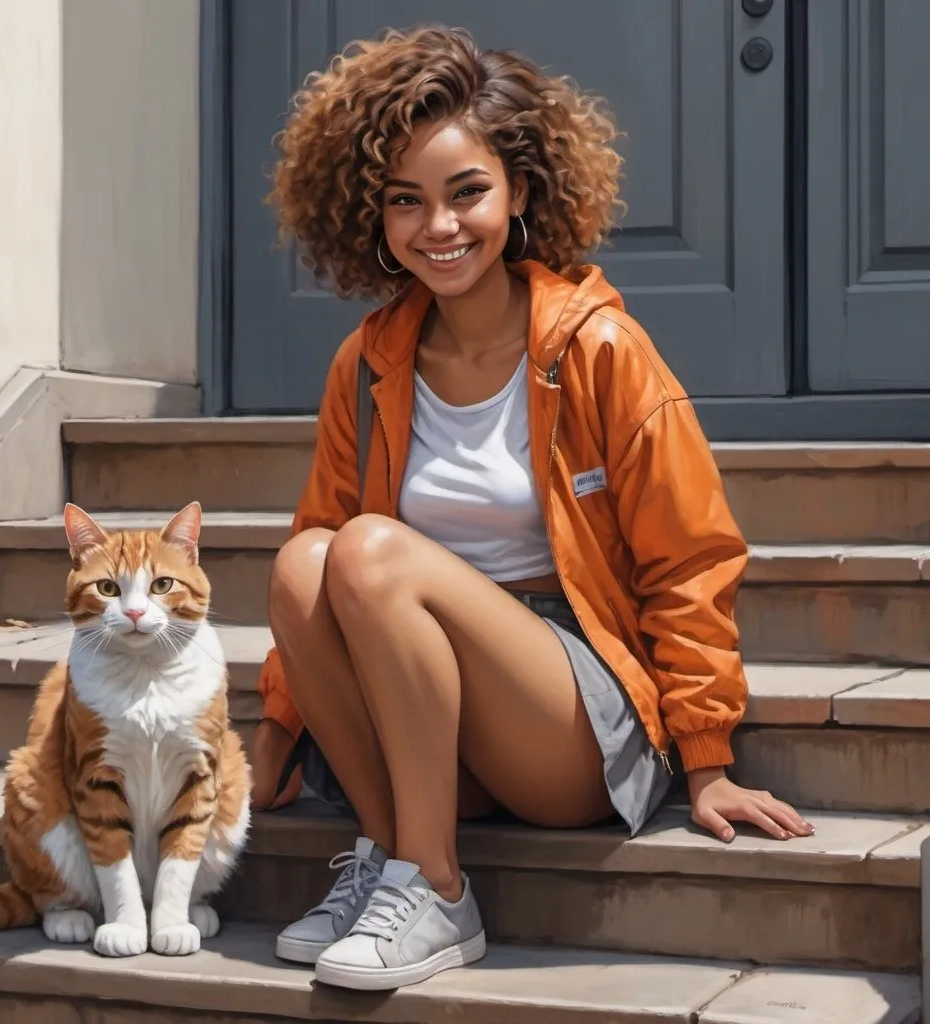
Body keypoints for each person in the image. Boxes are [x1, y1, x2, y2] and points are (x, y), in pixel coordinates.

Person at [249, 25, 814, 992]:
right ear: (371, 215)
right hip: (430, 715)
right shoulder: (370, 366)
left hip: (570, 712)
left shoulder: (599, 348)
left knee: (370, 553)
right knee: (309, 561)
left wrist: (708, 758)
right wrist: (274, 742)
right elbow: (317, 547)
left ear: (519, 194)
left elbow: (689, 558)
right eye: (406, 201)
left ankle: (436, 888)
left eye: (467, 191)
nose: (440, 226)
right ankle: (394, 860)